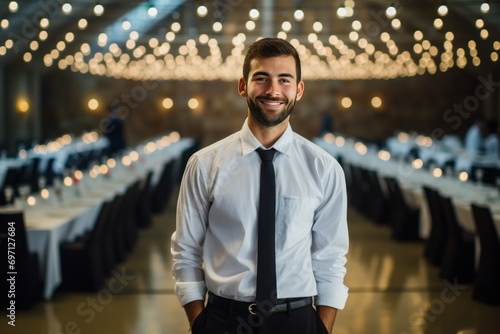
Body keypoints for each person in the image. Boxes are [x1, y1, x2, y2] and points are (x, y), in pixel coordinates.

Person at [171, 38, 349, 334]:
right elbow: (186, 249)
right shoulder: (205, 165)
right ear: (243, 86)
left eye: (284, 80)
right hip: (223, 320)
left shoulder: (324, 168)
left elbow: (330, 255)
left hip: (298, 321)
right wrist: (199, 323)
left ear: (299, 90)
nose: (273, 90)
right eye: (261, 78)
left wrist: (322, 327)